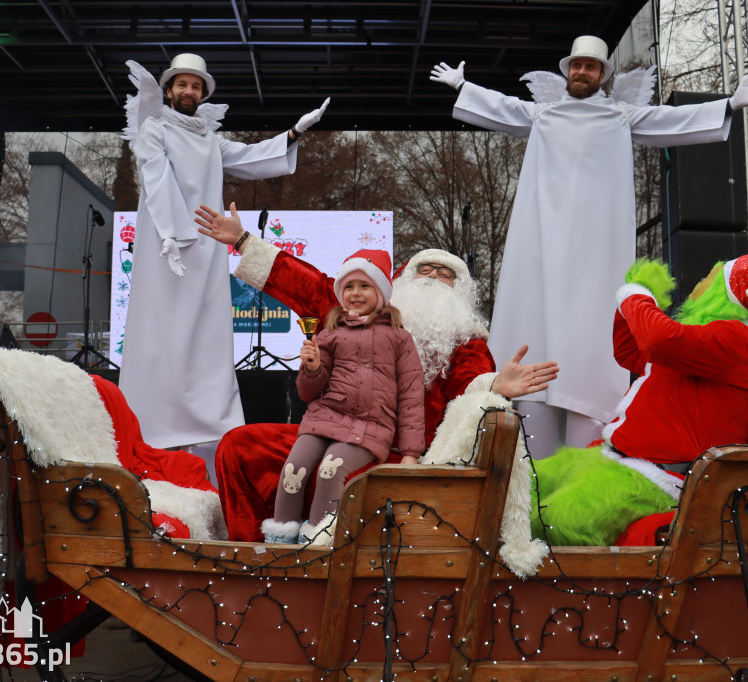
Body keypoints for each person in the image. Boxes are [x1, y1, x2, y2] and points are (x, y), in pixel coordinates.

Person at [430, 36, 748, 459]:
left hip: (597, 241)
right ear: (568, 70)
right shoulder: (544, 114)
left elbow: (670, 119)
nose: (581, 72)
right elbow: (503, 107)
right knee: (535, 313)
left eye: (590, 67)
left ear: (602, 76)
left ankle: (588, 421)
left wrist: (728, 105)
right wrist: (463, 87)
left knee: (591, 325)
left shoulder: (620, 116)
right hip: (541, 234)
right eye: (576, 65)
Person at [193, 203, 559, 541]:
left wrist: (496, 384)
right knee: (240, 446)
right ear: (398, 281)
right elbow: (303, 282)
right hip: (332, 430)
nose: (433, 277)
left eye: (446, 274)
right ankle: (257, 552)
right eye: (424, 269)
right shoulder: (355, 309)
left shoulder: (466, 339)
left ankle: (317, 545)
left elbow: (469, 381)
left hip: (403, 451)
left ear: (460, 292)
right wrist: (242, 240)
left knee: (334, 470)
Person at [118, 53, 330, 457]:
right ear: (168, 90)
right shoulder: (155, 130)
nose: (189, 91)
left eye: (196, 86)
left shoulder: (210, 140)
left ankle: (211, 423)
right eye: (182, 84)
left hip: (208, 247)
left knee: (207, 333)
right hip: (167, 245)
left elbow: (250, 157)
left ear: (202, 94)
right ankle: (149, 424)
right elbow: (157, 180)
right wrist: (170, 236)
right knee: (161, 328)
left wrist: (293, 134)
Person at [529, 254, 748, 546]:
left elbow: (658, 340)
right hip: (618, 460)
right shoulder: (707, 339)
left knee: (551, 519)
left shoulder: (735, 340)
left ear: (725, 292)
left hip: (656, 479)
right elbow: (631, 353)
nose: (698, 286)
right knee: (526, 481)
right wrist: (632, 298)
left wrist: (638, 296)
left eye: (708, 280)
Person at [260, 249, 425, 544]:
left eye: (364, 286)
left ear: (381, 292)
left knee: (329, 470)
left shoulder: (400, 338)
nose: (355, 293)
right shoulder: (329, 332)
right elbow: (307, 392)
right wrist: (311, 368)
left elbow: (412, 395)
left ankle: (316, 544)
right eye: (348, 286)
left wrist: (411, 453)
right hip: (323, 420)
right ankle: (278, 544)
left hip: (369, 427)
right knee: (292, 471)